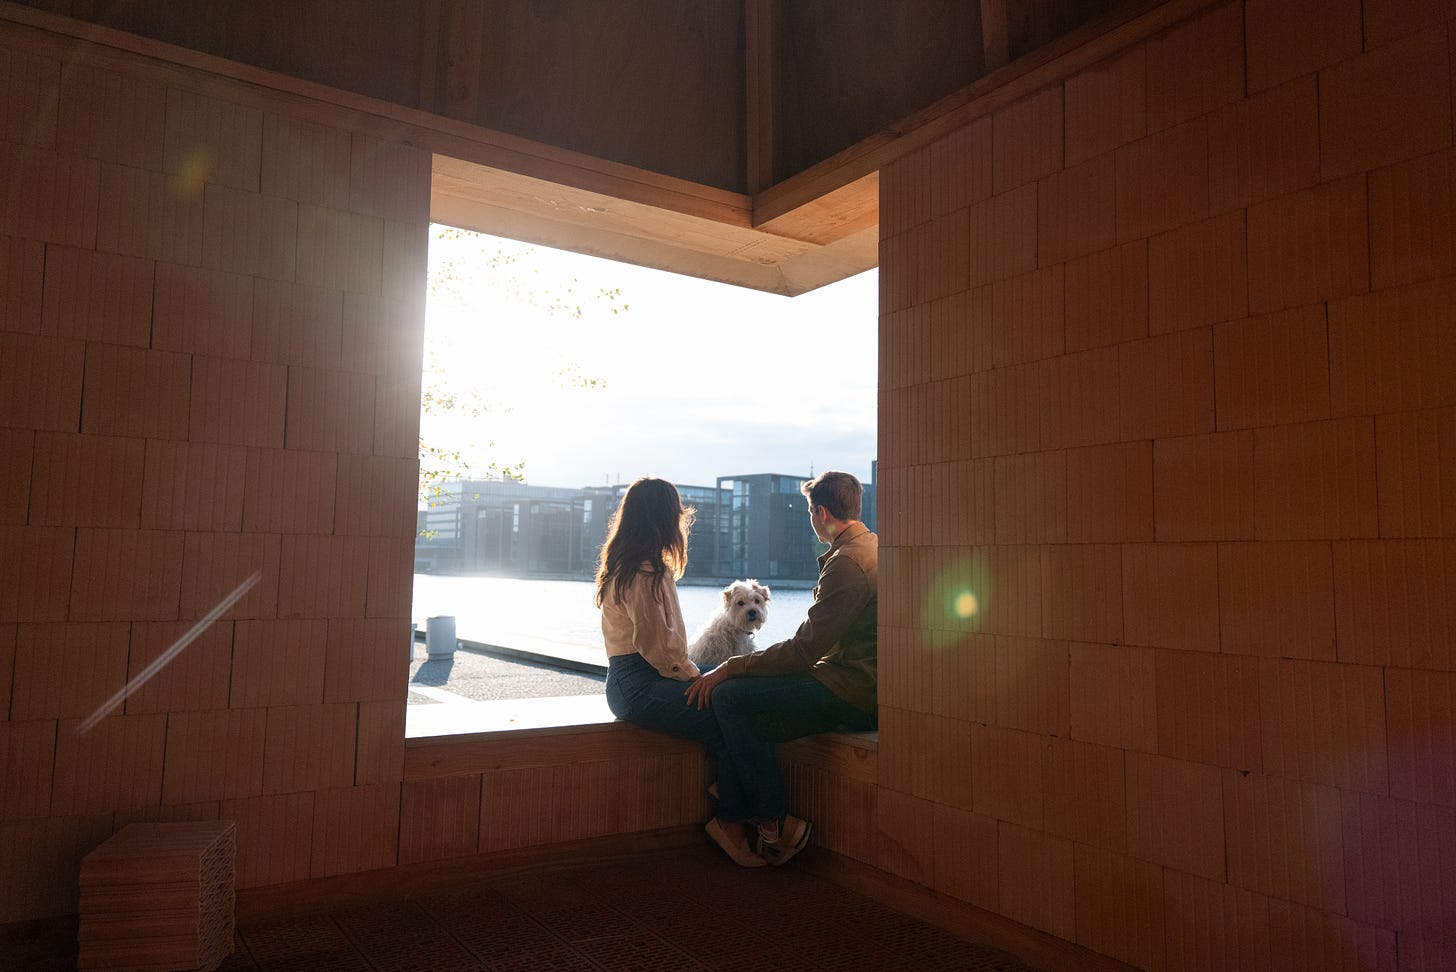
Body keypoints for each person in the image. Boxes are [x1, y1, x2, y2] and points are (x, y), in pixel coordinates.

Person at [685, 470, 877, 866]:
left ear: (820, 512)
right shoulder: (874, 547)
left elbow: (803, 652)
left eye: (810, 512)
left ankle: (770, 820)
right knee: (754, 726)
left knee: (729, 696)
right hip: (864, 682)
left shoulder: (846, 563)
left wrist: (731, 668)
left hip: (850, 688)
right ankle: (744, 796)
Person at [595, 476, 765, 867]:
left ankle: (732, 790)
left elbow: (665, 648)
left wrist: (705, 673)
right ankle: (731, 823)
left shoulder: (633, 565)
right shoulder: (644, 573)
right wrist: (696, 677)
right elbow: (660, 648)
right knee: (730, 713)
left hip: (635, 677)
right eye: (677, 515)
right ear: (663, 519)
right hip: (640, 682)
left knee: (735, 687)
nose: (680, 522)